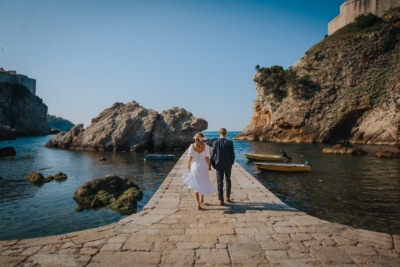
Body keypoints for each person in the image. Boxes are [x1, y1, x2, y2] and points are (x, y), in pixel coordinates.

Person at [182, 132, 216, 210]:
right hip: (203, 165)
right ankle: (201, 200)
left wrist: (188, 164)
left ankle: (198, 204)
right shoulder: (206, 146)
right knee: (203, 182)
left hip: (195, 165)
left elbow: (190, 157)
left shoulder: (192, 146)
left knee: (196, 184)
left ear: (195, 138)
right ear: (203, 138)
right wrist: (209, 166)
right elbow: (207, 158)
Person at [210, 128, 235, 205]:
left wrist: (212, 165)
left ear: (219, 133)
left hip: (219, 165)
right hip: (228, 164)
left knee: (220, 182)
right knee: (228, 180)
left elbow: (212, 155)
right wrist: (231, 162)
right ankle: (227, 197)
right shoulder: (230, 142)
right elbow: (232, 155)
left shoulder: (215, 142)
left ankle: (221, 200)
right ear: (226, 133)